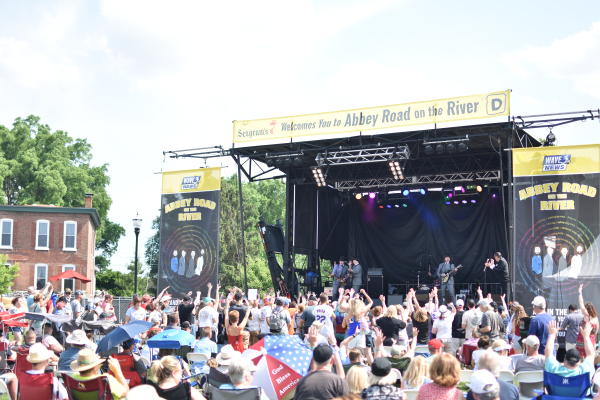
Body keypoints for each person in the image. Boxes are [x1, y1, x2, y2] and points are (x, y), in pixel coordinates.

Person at [577, 284, 598, 357]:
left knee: (582, 358)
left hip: (583, 341)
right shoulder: (596, 319)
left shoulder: (586, 316)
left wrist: (580, 292)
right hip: (591, 340)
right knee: (589, 357)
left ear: (586, 310)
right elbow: (596, 331)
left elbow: (581, 303)